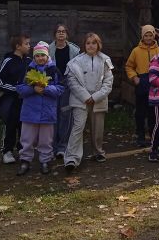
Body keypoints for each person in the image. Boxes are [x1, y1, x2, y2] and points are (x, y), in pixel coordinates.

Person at [64, 33, 114, 171]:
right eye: (88, 43)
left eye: (94, 43)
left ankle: (98, 152)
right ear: (84, 45)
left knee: (98, 128)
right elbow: (72, 81)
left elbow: (108, 82)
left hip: (98, 100)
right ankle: (72, 158)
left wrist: (95, 97)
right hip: (80, 100)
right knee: (78, 127)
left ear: (98, 44)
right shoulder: (75, 62)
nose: (91, 45)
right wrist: (86, 96)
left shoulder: (105, 60)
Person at [16, 42, 65, 175]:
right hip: (30, 111)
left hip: (47, 111)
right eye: (37, 56)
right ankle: (25, 160)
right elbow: (19, 88)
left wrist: (46, 89)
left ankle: (45, 161)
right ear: (34, 57)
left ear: (47, 56)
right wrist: (33, 89)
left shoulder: (54, 70)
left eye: (43, 55)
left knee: (46, 140)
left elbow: (60, 88)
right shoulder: (28, 70)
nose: (40, 58)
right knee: (27, 138)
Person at [0, 34, 31, 164]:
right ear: (18, 46)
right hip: (11, 100)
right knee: (10, 124)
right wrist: (16, 89)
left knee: (24, 126)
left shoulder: (29, 61)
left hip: (25, 101)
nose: (29, 46)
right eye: (26, 44)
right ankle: (7, 151)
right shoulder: (8, 61)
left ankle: (22, 150)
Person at [126, 25, 159, 148]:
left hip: (154, 83)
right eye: (146, 35)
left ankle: (153, 135)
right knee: (140, 111)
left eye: (151, 35)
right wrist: (134, 78)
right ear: (142, 36)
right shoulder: (136, 51)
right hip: (142, 82)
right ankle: (140, 136)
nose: (149, 38)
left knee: (153, 111)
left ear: (154, 35)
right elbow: (129, 66)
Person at [49, 24, 80, 158]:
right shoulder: (48, 50)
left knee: (65, 114)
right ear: (55, 34)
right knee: (53, 114)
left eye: (63, 31)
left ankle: (62, 145)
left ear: (67, 34)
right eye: (58, 31)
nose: (61, 33)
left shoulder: (74, 50)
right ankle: (52, 146)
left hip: (68, 84)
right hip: (53, 84)